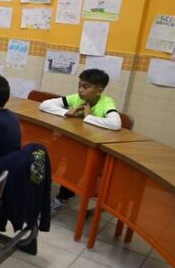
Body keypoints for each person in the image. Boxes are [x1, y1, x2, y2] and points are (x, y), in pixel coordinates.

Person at [39, 68, 120, 210]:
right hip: (71, 141)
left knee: (74, 166)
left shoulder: (106, 102)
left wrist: (88, 117)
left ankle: (63, 197)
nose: (80, 90)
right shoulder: (77, 98)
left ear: (99, 90)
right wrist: (67, 112)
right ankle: (44, 186)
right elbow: (45, 105)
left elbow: (115, 123)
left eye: (86, 87)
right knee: (50, 152)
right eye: (79, 85)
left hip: (90, 148)